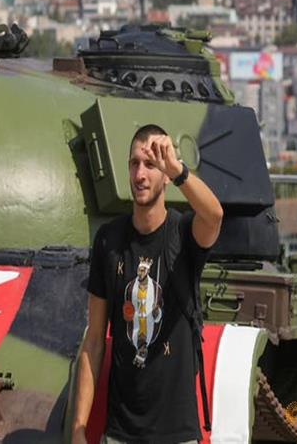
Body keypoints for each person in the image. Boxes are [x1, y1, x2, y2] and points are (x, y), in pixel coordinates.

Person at [71, 124, 223, 444]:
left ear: (165, 175)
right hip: (120, 432)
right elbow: (94, 341)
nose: (140, 175)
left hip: (176, 433)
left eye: (150, 165)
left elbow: (214, 216)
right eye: (134, 163)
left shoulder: (183, 234)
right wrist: (78, 428)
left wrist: (178, 169)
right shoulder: (109, 241)